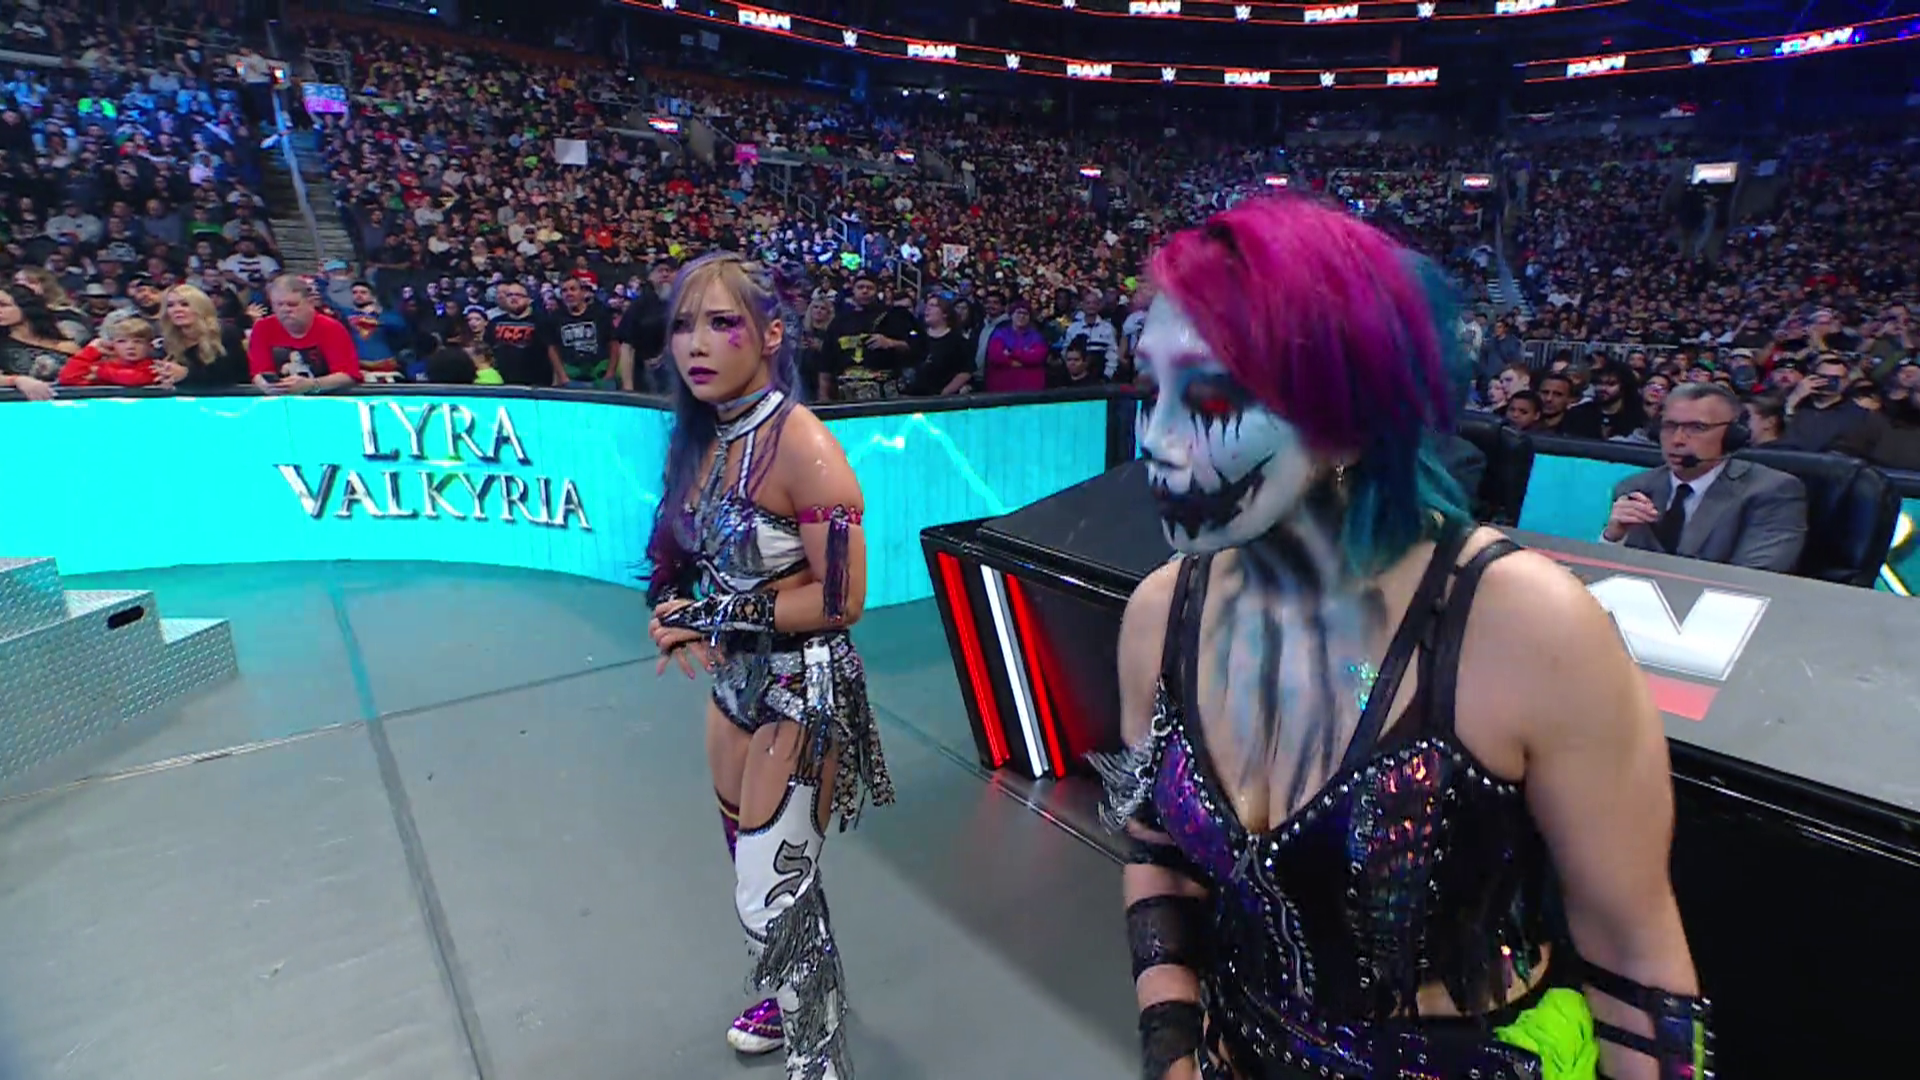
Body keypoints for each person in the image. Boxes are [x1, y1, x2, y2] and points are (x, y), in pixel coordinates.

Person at [1094, 198, 1712, 1080]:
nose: (1155, 439)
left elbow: (1637, 966)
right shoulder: (1162, 615)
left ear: (1345, 417)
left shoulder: (1525, 625)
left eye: (1212, 397)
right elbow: (1157, 855)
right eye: (1149, 387)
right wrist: (1171, 1053)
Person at [643, 253, 894, 1080]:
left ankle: (818, 1056)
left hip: (805, 685)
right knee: (765, 873)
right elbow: (677, 551)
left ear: (772, 334)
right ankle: (799, 996)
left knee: (769, 888)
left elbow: (842, 599)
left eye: (722, 323)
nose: (696, 344)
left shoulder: (803, 446)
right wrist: (669, 607)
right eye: (684, 325)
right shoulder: (704, 438)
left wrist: (711, 615)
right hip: (733, 688)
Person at [1602, 382, 1806, 573]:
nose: (1677, 440)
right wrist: (1612, 539)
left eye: (1697, 427)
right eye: (1670, 426)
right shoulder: (1634, 488)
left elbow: (1754, 579)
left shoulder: (1772, 491)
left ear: (1733, 435)